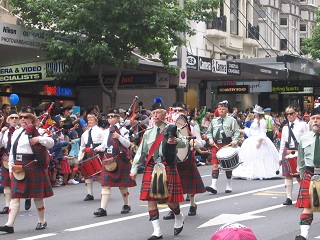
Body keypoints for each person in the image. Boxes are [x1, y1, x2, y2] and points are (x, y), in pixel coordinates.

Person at [130, 101, 187, 240]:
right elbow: (141, 152)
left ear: (165, 114)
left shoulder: (171, 129)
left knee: (169, 199)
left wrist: (176, 141)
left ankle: (178, 215)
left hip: (167, 165)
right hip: (152, 166)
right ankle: (157, 231)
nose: (155, 115)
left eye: (158, 112)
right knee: (150, 198)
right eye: (153, 113)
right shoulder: (148, 132)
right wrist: (134, 168)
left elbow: (184, 142)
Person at [0, 106, 54, 233]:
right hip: (18, 166)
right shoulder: (16, 132)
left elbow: (51, 142)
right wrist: (11, 168)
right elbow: (12, 152)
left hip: (33, 166)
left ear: (32, 119)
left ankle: (42, 221)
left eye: (26, 117)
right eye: (21, 117)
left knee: (37, 196)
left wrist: (39, 139)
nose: (23, 119)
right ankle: (9, 224)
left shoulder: (39, 130)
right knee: (15, 196)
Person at [162, 103, 206, 220]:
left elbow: (200, 142)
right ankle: (173, 209)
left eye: (180, 110)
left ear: (185, 112)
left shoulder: (192, 125)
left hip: (186, 157)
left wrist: (194, 144)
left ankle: (192, 204)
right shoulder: (167, 126)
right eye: (175, 110)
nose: (177, 112)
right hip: (172, 158)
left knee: (189, 182)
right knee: (173, 185)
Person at [93, 109, 136, 217]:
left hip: (120, 160)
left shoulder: (123, 130)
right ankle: (103, 209)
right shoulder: (106, 131)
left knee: (122, 185)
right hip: (108, 160)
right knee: (106, 185)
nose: (110, 118)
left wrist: (119, 137)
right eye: (109, 116)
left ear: (118, 118)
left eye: (113, 116)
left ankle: (127, 204)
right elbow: (105, 145)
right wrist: (97, 149)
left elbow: (127, 144)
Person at [232, 105, 280, 180]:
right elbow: (251, 131)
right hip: (251, 139)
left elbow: (263, 132)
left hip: (258, 139)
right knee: (250, 157)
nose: (254, 114)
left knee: (261, 156)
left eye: (256, 113)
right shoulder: (254, 121)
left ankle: (261, 172)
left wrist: (260, 141)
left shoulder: (262, 121)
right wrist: (241, 130)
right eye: (254, 113)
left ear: (259, 114)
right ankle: (251, 171)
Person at [294, 107, 320, 240]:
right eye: (313, 118)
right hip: (310, 174)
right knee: (308, 206)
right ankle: (303, 236)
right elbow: (301, 159)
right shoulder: (304, 138)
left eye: (318, 118)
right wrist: (301, 174)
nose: (315, 121)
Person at [205, 101, 240, 194]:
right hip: (216, 144)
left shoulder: (232, 120)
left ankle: (229, 185)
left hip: (226, 144)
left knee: (227, 166)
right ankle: (214, 186)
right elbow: (209, 132)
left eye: (223, 109)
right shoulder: (214, 121)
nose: (221, 111)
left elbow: (236, 132)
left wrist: (235, 140)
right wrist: (210, 139)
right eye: (219, 109)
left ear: (226, 110)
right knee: (215, 165)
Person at [279, 106, 309, 205]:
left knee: (299, 176)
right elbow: (282, 143)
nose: (289, 116)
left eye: (291, 113)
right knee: (288, 175)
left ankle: (304, 196)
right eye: (287, 114)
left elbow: (308, 139)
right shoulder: (285, 127)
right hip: (287, 152)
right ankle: (289, 198)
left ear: (296, 113)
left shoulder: (303, 125)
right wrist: (280, 157)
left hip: (299, 151)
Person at [78, 113, 104, 201]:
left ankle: (104, 191)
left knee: (99, 175)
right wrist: (79, 158)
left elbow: (105, 144)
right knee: (87, 174)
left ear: (96, 121)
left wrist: (98, 149)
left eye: (91, 120)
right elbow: (82, 147)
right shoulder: (84, 134)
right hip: (87, 154)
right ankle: (90, 194)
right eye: (88, 120)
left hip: (97, 154)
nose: (90, 121)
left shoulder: (101, 131)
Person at [0, 110, 20, 214]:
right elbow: (1, 145)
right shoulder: (5, 131)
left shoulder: (22, 131)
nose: (14, 120)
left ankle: (28, 198)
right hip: (7, 160)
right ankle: (8, 206)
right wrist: (1, 132)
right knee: (7, 184)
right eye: (12, 118)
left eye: (16, 118)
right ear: (8, 120)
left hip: (19, 159)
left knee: (21, 183)